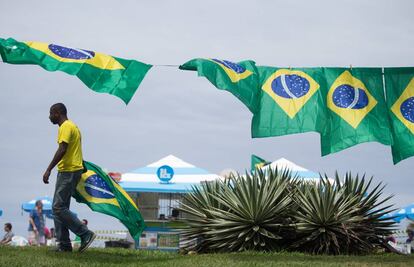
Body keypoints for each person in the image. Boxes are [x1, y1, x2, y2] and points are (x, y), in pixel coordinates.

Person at [43, 103, 95, 252]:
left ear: (58, 113)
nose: (49, 117)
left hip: (68, 171)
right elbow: (74, 150)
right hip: (72, 170)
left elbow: (63, 149)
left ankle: (85, 234)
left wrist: (48, 169)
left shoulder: (65, 126)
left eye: (51, 113)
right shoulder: (74, 126)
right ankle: (64, 245)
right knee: (60, 208)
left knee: (58, 207)